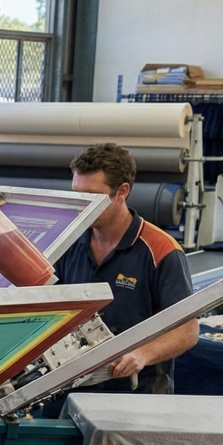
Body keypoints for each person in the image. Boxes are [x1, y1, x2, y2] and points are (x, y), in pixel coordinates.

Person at [55, 142, 197, 394]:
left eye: (91, 196)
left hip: (133, 393)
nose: (81, 205)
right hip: (68, 386)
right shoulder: (68, 241)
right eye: (77, 194)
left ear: (121, 191)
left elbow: (187, 331)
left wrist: (143, 354)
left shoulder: (161, 250)